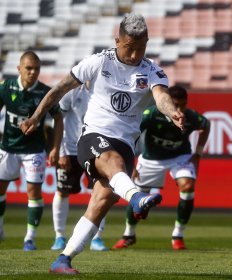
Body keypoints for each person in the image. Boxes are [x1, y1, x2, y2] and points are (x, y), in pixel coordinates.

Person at [20, 13, 184, 274]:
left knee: (100, 201)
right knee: (113, 163)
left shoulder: (151, 70)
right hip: (93, 137)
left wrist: (172, 111)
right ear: (117, 40)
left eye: (140, 49)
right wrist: (37, 115)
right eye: (129, 48)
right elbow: (59, 89)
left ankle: (63, 259)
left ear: (148, 43)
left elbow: (161, 96)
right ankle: (137, 196)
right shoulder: (97, 62)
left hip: (126, 145)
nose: (134, 55)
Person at [112, 85, 210, 251]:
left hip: (180, 156)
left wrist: (198, 154)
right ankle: (129, 234)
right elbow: (132, 135)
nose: (179, 109)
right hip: (151, 159)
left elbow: (206, 126)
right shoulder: (151, 114)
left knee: (188, 186)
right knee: (138, 196)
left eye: (183, 105)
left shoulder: (191, 117)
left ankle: (177, 235)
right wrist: (132, 163)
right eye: (176, 105)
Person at [0, 51, 63, 250]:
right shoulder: (6, 87)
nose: (33, 72)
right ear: (19, 69)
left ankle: (30, 238)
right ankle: (0, 229)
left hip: (34, 150)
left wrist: (55, 148)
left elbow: (59, 119)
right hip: (8, 147)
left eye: (36, 68)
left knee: (33, 192)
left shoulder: (45, 92)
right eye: (29, 68)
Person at [51, 82, 108, 252]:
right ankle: (59, 236)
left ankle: (96, 238)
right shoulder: (71, 92)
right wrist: (60, 151)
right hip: (70, 149)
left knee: (101, 191)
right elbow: (58, 119)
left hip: (96, 150)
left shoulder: (107, 90)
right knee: (62, 191)